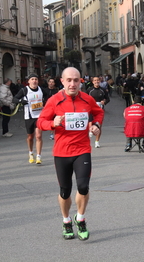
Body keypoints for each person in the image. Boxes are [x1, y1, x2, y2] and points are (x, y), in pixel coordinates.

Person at [37, 67, 104, 240]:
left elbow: (98, 112)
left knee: (83, 187)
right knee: (65, 191)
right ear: (62, 81)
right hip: (61, 152)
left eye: (76, 80)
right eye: (69, 80)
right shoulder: (54, 101)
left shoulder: (87, 99)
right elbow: (40, 122)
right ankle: (66, 220)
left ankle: (80, 218)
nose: (73, 84)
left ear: (80, 81)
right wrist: (53, 123)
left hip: (82, 149)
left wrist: (96, 124)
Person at [13, 74, 46, 164]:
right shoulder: (24, 90)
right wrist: (21, 101)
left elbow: (49, 97)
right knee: (30, 137)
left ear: (38, 81)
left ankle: (39, 156)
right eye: (32, 79)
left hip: (39, 116)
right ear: (29, 81)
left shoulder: (41, 89)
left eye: (36, 79)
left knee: (38, 136)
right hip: (29, 117)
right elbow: (14, 98)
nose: (34, 81)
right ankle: (31, 153)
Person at [87, 76, 110, 148]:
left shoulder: (103, 90)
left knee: (99, 125)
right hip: (90, 110)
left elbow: (108, 99)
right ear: (93, 82)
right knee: (89, 123)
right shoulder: (89, 90)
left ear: (99, 81)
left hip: (100, 110)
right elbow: (84, 99)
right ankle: (90, 132)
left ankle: (97, 141)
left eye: (98, 80)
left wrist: (104, 101)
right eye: (95, 80)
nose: (96, 81)